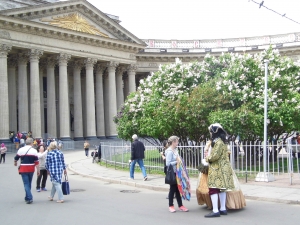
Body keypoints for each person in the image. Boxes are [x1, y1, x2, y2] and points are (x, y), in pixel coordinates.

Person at [204, 123, 235, 218]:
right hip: (224, 168)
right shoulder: (223, 142)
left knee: (213, 189)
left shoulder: (218, 142)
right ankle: (222, 209)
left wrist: (207, 159)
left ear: (214, 133)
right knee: (222, 189)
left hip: (217, 168)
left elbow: (215, 156)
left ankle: (215, 210)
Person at [165, 135, 189, 213]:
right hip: (173, 173)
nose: (178, 143)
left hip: (178, 172)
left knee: (178, 189)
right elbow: (168, 163)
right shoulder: (169, 151)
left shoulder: (175, 150)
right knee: (172, 189)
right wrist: (177, 161)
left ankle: (180, 205)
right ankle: (171, 206)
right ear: (173, 142)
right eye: (176, 141)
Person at [14, 138, 40, 204]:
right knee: (29, 183)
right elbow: (36, 162)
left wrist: (15, 162)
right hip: (31, 168)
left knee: (26, 183)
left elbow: (16, 158)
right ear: (31, 143)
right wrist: (38, 170)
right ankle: (28, 197)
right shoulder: (34, 151)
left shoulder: (21, 149)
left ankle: (29, 197)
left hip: (23, 168)